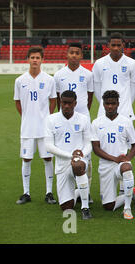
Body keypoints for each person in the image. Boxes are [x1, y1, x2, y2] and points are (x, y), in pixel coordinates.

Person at [14, 46, 57, 205]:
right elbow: (18, 103)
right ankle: (26, 192)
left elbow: (53, 100)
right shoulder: (20, 80)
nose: (35, 60)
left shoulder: (49, 79)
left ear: (42, 60)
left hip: (44, 128)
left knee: (47, 158)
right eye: (32, 57)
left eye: (37, 58)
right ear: (28, 59)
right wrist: (27, 117)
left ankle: (49, 192)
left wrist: (47, 118)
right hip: (27, 128)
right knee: (26, 159)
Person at [54, 43, 94, 201]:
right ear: (67, 54)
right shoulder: (58, 75)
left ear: (81, 56)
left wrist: (83, 112)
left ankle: (86, 192)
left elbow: (89, 96)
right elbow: (58, 98)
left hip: (83, 117)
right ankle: (66, 189)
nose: (74, 55)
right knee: (64, 152)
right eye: (72, 52)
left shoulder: (88, 74)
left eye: (77, 53)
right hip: (64, 119)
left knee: (86, 155)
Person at [44, 91, 93, 219]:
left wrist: (80, 155)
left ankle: (85, 207)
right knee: (66, 207)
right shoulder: (51, 119)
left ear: (75, 103)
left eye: (69, 103)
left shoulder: (83, 119)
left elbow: (89, 144)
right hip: (62, 165)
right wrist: (70, 155)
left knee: (78, 165)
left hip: (79, 161)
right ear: (60, 102)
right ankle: (80, 192)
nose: (66, 106)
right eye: (63, 102)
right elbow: (48, 146)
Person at [91, 90, 135, 220]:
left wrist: (127, 159)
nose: (110, 106)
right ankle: (130, 193)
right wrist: (114, 159)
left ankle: (127, 209)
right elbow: (96, 148)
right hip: (106, 165)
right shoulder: (96, 123)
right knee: (108, 206)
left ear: (118, 104)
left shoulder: (126, 122)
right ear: (103, 105)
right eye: (107, 104)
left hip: (121, 164)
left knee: (127, 168)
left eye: (113, 103)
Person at [92, 32, 135, 121]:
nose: (116, 48)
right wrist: (106, 103)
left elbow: (134, 89)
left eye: (118, 45)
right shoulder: (99, 63)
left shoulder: (132, 63)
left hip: (125, 111)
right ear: (108, 45)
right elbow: (97, 88)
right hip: (104, 111)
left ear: (123, 45)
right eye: (113, 45)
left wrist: (126, 104)